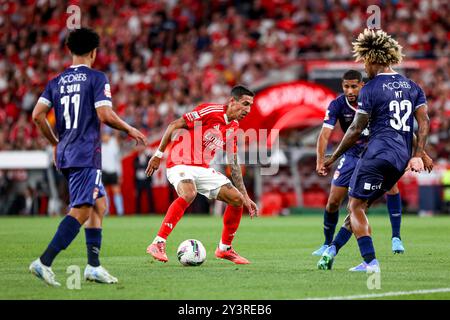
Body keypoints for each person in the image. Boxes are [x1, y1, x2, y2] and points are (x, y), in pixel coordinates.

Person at [29, 27, 147, 286]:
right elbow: (104, 115)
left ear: (70, 50)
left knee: (99, 205)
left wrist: (54, 143)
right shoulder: (96, 78)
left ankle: (93, 267)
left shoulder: (56, 81)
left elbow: (37, 115)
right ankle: (44, 261)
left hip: (68, 151)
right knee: (82, 210)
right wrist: (129, 128)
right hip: (85, 153)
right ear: (94, 52)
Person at [316, 28, 430, 272]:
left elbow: (356, 129)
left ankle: (370, 263)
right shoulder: (412, 86)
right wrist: (419, 154)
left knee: (354, 207)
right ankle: (333, 250)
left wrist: (333, 157)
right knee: (361, 205)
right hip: (400, 160)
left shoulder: (370, 88)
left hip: (377, 154)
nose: (363, 67)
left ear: (373, 58)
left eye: (364, 61)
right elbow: (423, 122)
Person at [145, 85, 258, 264]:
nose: (248, 110)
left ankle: (224, 249)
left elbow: (234, 164)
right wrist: (158, 155)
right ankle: (158, 243)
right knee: (189, 193)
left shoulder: (234, 127)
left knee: (236, 199)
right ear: (232, 101)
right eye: (245, 104)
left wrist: (245, 196)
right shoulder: (210, 111)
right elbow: (174, 125)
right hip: (179, 161)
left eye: (250, 105)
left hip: (203, 168)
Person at [313, 70, 406, 257]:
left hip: (375, 155)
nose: (349, 90)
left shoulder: (374, 100)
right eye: (346, 86)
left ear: (362, 85)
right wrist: (320, 159)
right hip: (351, 155)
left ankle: (396, 237)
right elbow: (324, 134)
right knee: (333, 202)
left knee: (392, 188)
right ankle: (326, 243)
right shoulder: (337, 104)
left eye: (354, 86)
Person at [101, 129, 124, 216]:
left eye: (105, 135)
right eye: (103, 136)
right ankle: (106, 211)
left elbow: (118, 160)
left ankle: (120, 211)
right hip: (104, 171)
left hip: (113, 171)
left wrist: (119, 174)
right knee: (105, 193)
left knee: (117, 191)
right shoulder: (101, 146)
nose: (104, 137)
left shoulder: (113, 143)